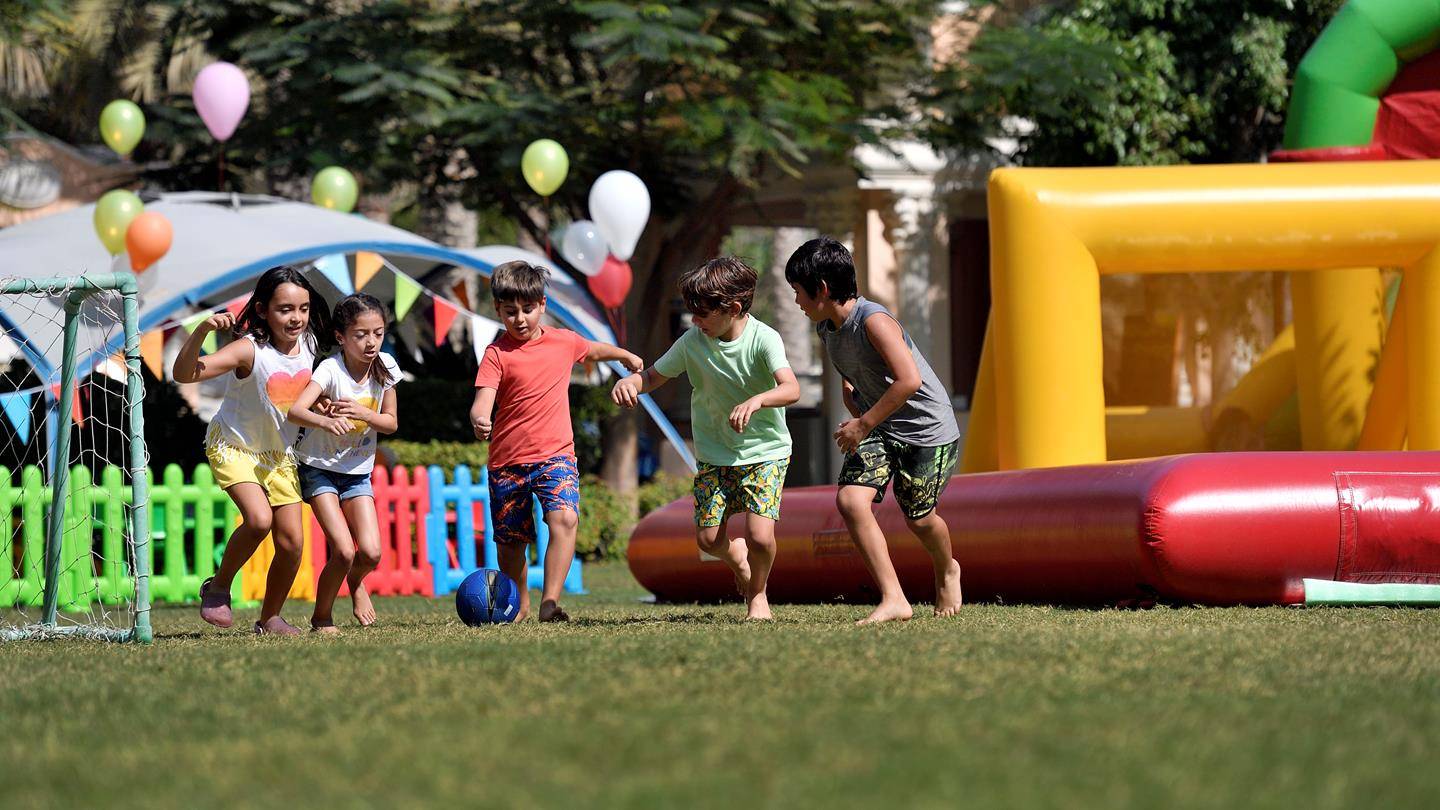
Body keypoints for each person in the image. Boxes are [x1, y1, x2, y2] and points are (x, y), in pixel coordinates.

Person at [785, 236, 963, 624]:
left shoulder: (874, 321)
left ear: (823, 290)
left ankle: (947, 567)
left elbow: (909, 381)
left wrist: (862, 424)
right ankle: (894, 598)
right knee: (850, 502)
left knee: (919, 518)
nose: (796, 301)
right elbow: (854, 373)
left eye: (798, 292)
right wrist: (855, 404)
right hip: (879, 425)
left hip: (926, 429)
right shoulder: (827, 328)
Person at [612, 257, 799, 620]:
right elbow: (652, 376)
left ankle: (758, 597)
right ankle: (736, 557)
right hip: (715, 454)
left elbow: (791, 388)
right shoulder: (692, 342)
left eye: (701, 314)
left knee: (761, 536)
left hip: (765, 452)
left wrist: (758, 400)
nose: (694, 321)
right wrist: (630, 382)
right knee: (708, 540)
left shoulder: (764, 340)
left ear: (732, 308)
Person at [471, 260, 642, 622]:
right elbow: (483, 398)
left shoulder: (563, 342)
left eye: (528, 310)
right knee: (511, 544)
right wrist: (479, 418)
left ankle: (550, 603)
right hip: (508, 463)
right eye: (510, 311)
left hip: (556, 456)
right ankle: (521, 603)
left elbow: (593, 350)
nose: (520, 319)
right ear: (497, 310)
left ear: (543, 305)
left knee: (564, 519)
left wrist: (624, 355)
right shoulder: (496, 354)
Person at [173, 266, 331, 635]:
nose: (297, 318)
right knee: (259, 519)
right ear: (262, 310)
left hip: (278, 456)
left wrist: (322, 406)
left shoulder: (310, 346)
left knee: (292, 544)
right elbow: (185, 373)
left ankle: (270, 617)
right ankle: (219, 586)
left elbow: (299, 394)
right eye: (285, 309)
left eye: (304, 309)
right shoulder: (249, 349)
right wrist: (202, 331)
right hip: (234, 447)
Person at [288, 293, 400, 634]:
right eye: (361, 335)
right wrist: (325, 422)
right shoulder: (330, 369)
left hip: (357, 473)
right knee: (342, 550)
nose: (371, 342)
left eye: (378, 333)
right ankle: (321, 618)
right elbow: (296, 410)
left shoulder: (386, 367)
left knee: (370, 552)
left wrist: (367, 414)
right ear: (341, 337)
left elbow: (391, 422)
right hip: (319, 468)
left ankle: (355, 584)